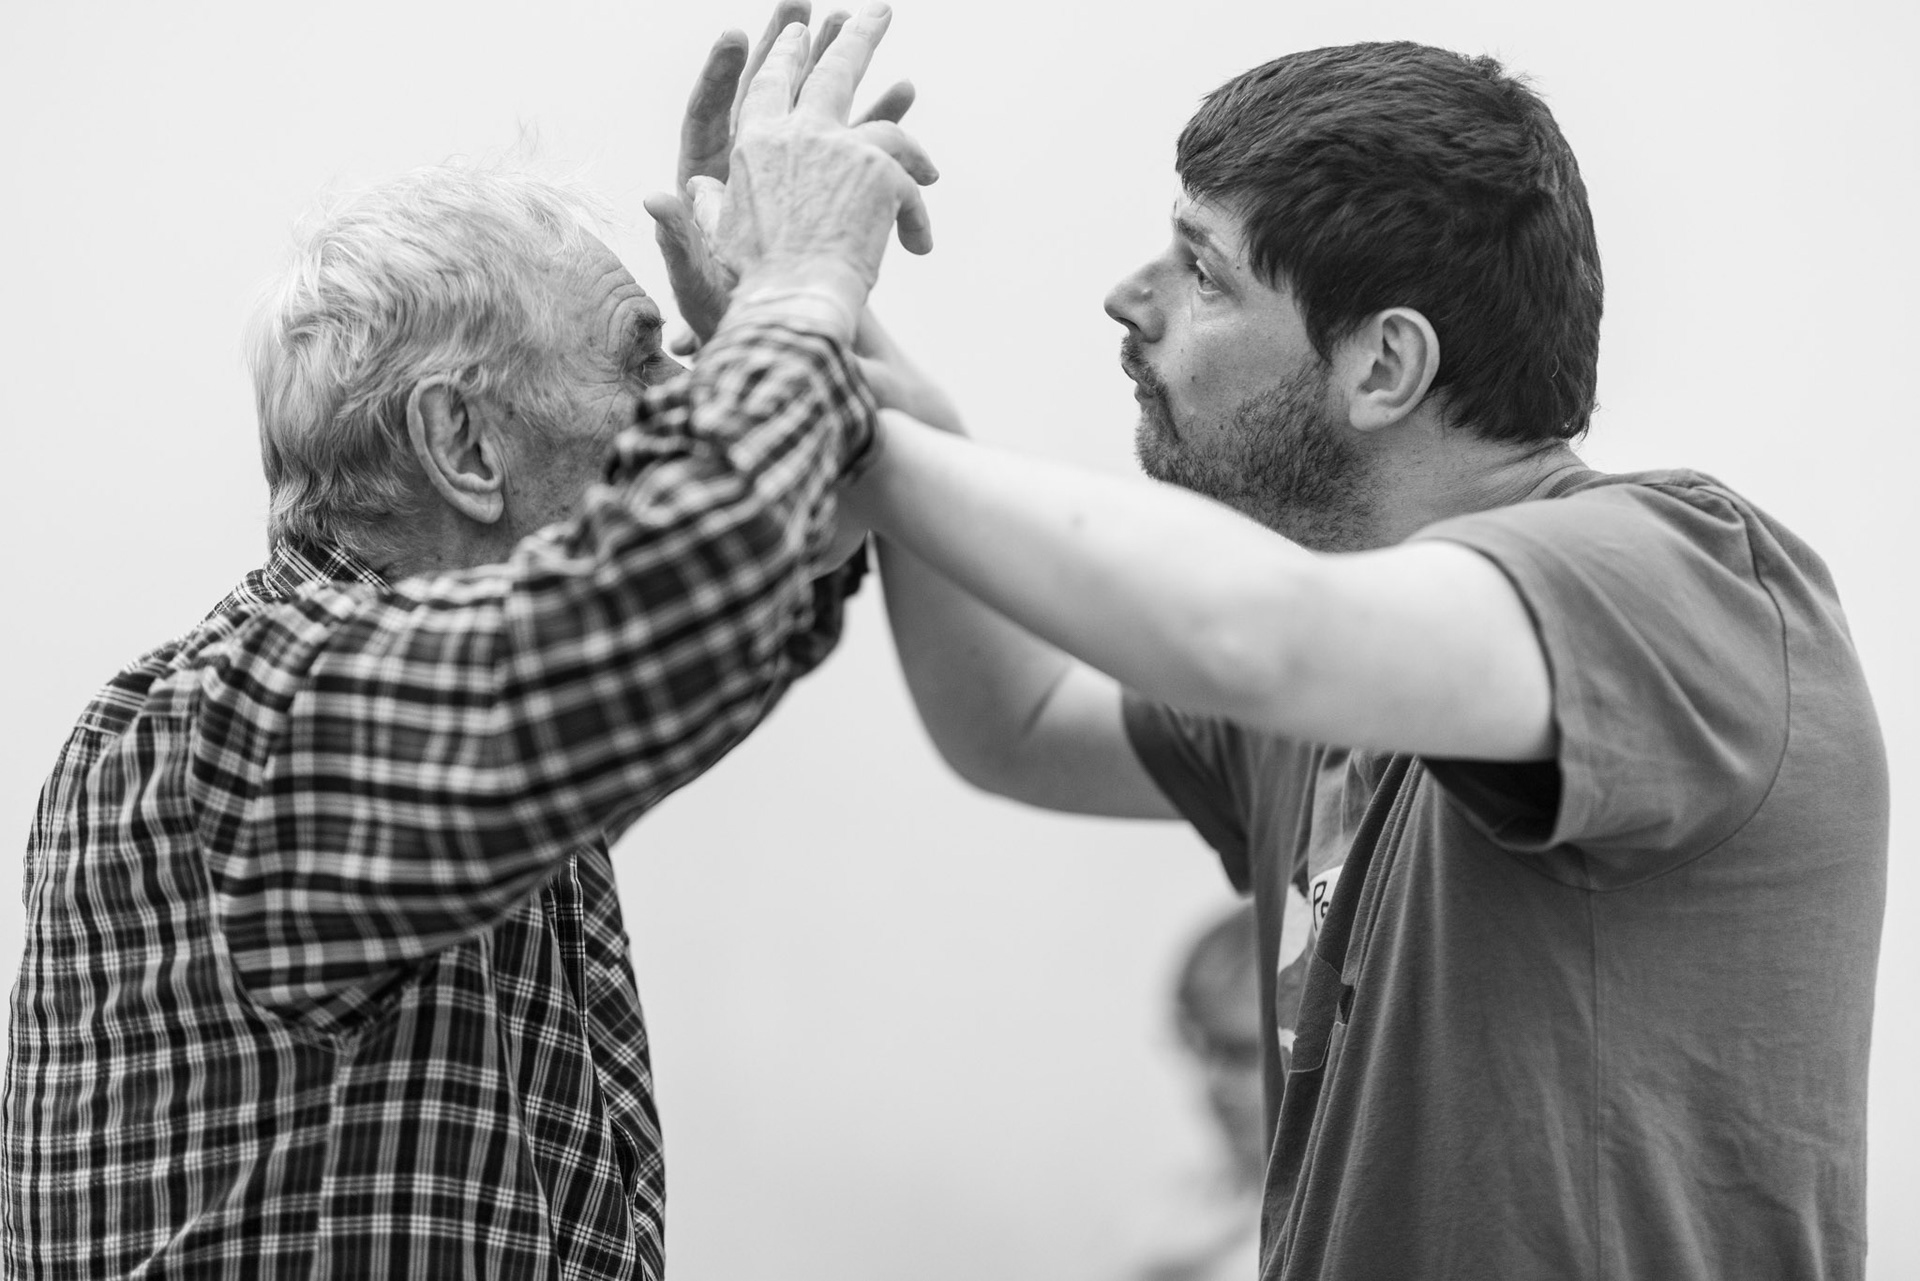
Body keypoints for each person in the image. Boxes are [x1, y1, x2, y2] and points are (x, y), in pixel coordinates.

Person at [818, 40, 1885, 1281]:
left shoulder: (1679, 581)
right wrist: (849, 372)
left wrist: (848, 436)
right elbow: (1017, 722)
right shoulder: (1340, 667)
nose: (1129, 297)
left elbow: (1254, 636)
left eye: (1203, 271)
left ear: (1384, 365)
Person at [1, 7, 932, 1278]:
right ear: (464, 445)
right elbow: (684, 591)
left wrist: (772, 330)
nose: (683, 403)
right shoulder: (232, 728)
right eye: (643, 366)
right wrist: (795, 296)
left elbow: (753, 577)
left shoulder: (458, 706)